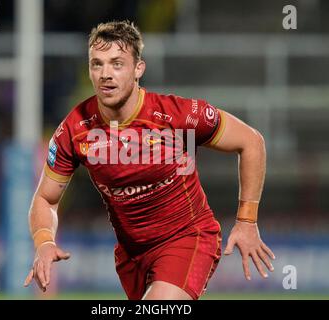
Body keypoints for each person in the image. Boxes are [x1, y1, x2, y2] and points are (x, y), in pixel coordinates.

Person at [24, 20, 275, 300]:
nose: (106, 74)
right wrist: (44, 242)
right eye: (97, 64)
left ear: (138, 69)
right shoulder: (75, 128)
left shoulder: (178, 115)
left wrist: (247, 221)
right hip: (132, 256)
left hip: (188, 238)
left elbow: (251, 142)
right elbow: (45, 198)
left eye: (117, 63)